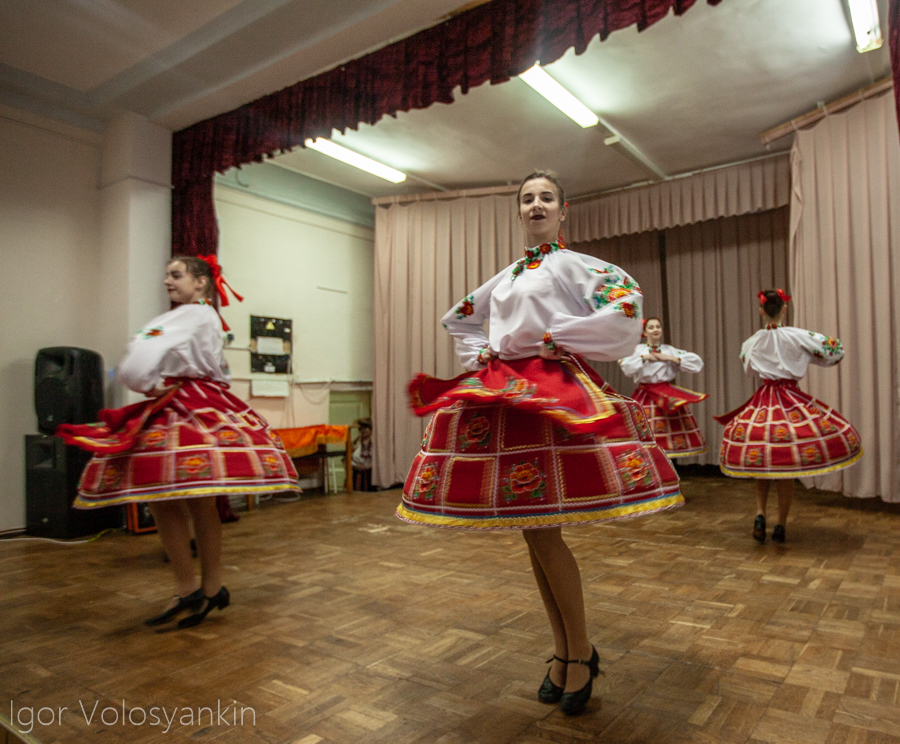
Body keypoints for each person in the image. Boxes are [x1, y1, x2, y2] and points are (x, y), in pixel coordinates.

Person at [397, 171, 683, 716]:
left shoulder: (574, 265)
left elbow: (627, 304)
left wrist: (564, 338)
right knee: (532, 530)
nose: (535, 205)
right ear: (518, 210)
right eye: (527, 198)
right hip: (505, 389)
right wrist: (480, 353)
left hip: (549, 387)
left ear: (563, 209)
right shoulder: (505, 276)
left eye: (545, 198)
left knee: (544, 532)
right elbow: (459, 320)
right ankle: (565, 650)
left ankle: (579, 651)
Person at [57, 256, 300, 627]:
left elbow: (137, 361)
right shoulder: (200, 316)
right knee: (183, 499)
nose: (167, 281)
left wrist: (146, 384)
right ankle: (200, 588)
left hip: (186, 400)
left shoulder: (191, 315)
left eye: (176, 275)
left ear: (201, 282)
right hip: (194, 399)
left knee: (176, 498)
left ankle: (196, 588)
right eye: (166, 275)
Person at [715, 289, 862, 544]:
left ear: (761, 311)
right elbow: (835, 351)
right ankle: (780, 524)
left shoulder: (751, 342)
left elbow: (749, 370)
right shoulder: (797, 336)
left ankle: (760, 514)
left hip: (764, 402)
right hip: (791, 400)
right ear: (784, 309)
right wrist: (806, 357)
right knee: (785, 466)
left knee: (762, 461)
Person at [618, 317, 708, 458]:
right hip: (645, 395)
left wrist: (670, 358)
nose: (655, 330)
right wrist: (644, 357)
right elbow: (627, 368)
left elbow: (696, 364)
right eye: (651, 327)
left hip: (666, 394)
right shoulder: (638, 350)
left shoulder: (669, 350)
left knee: (668, 434)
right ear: (645, 332)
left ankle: (668, 470)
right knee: (645, 431)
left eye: (658, 327)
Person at [352, 417, 373, 492]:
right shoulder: (356, 443)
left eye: (365, 428)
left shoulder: (375, 442)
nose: (363, 430)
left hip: (370, 476)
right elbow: (349, 458)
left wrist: (368, 466)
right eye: (361, 428)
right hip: (357, 474)